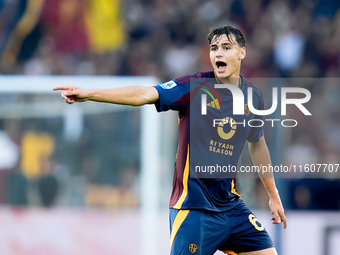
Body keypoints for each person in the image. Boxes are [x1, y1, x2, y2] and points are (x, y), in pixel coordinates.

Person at [54, 25, 287, 255]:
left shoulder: (253, 96)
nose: (219, 53)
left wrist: (273, 195)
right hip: (193, 209)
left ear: (242, 53)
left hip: (231, 206)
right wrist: (90, 94)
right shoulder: (195, 87)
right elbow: (145, 94)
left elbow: (257, 143)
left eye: (227, 47)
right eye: (214, 48)